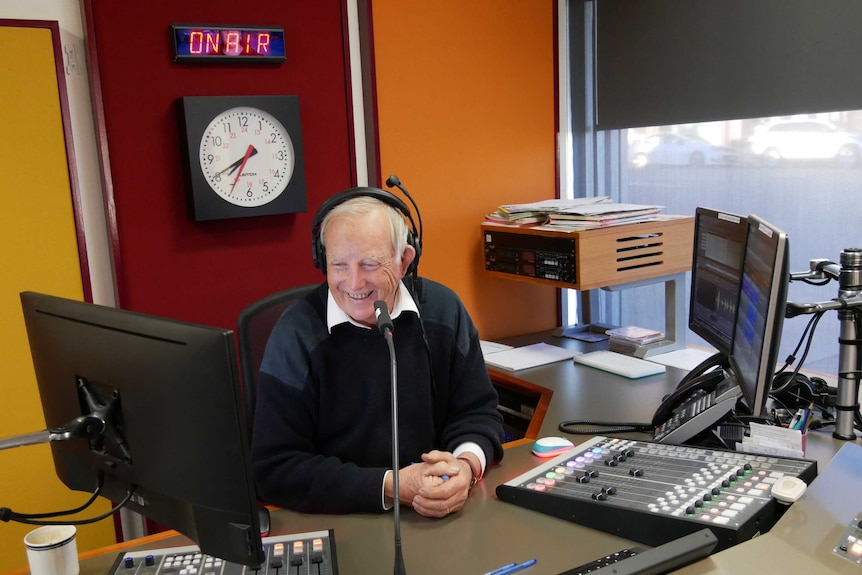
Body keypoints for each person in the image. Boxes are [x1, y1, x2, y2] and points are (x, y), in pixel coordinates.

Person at [252, 192, 505, 518]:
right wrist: (389, 485)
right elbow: (275, 467)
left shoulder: (444, 310)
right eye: (338, 265)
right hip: (338, 521)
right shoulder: (296, 333)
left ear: (403, 261)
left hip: (442, 514)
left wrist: (465, 467)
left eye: (369, 264)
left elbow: (478, 413)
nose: (354, 282)